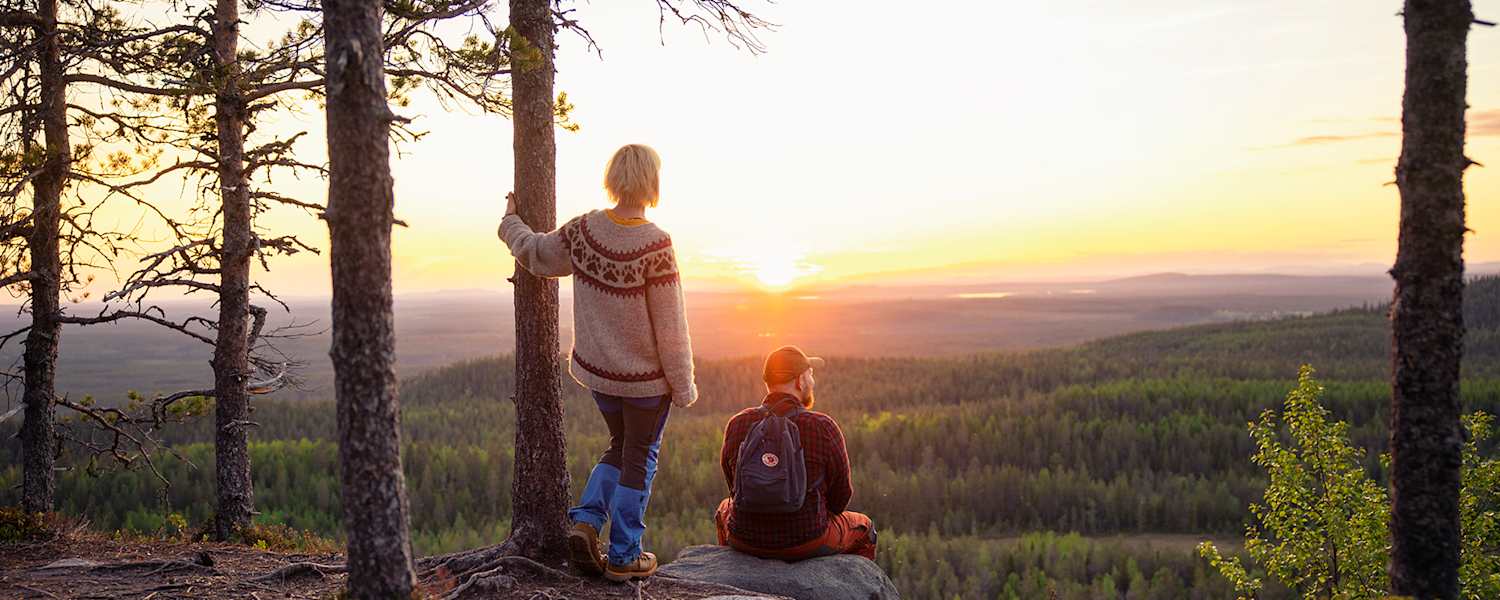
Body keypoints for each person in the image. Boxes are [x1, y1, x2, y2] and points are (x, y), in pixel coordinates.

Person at [498, 143, 697, 581]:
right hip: (646, 383)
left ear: (615, 179)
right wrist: (683, 386)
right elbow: (671, 326)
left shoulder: (584, 231)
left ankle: (586, 523)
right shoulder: (656, 245)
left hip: (601, 379)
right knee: (640, 458)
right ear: (652, 183)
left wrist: (509, 221)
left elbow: (533, 252)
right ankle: (625, 555)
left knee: (619, 447)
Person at [715, 345, 877, 561]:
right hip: (806, 539)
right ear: (800, 381)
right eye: (810, 374)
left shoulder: (738, 424)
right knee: (865, 528)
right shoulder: (822, 427)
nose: (812, 381)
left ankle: (732, 572)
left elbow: (734, 490)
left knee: (723, 509)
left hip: (744, 538)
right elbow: (840, 500)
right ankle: (860, 585)